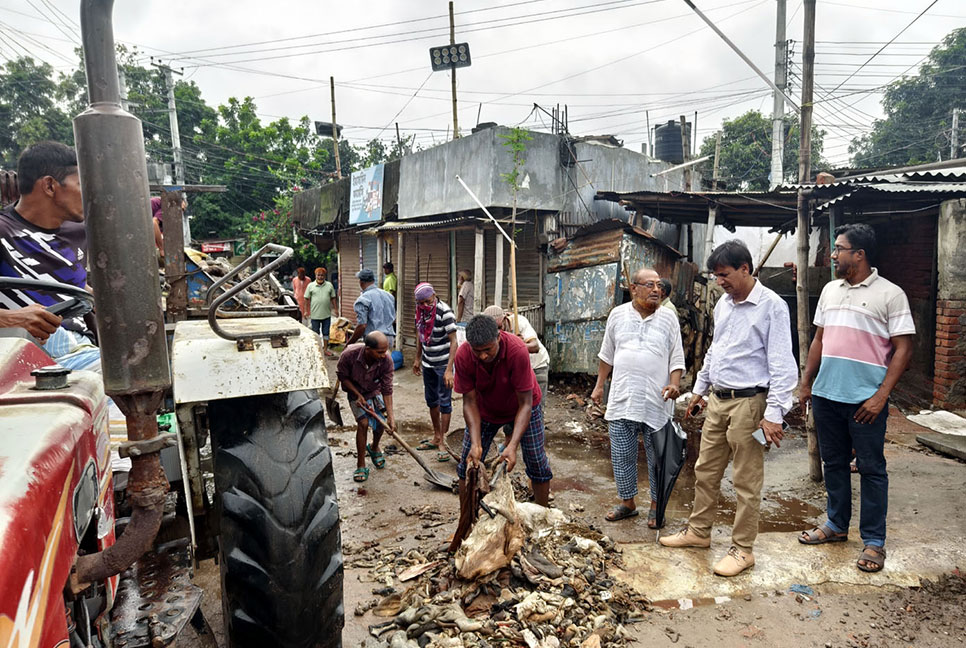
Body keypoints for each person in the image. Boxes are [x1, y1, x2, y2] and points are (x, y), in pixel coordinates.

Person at [660, 240, 798, 577]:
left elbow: (782, 365)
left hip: (751, 403)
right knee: (705, 470)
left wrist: (774, 415)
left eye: (724, 275)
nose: (719, 281)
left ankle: (743, 549)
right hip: (718, 401)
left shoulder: (772, 306)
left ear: (746, 269)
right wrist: (700, 389)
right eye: (715, 275)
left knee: (745, 480)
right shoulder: (724, 305)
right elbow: (715, 350)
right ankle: (698, 532)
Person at [798, 223, 914, 574]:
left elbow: (904, 348)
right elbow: (819, 339)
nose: (833, 255)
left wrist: (881, 396)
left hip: (866, 401)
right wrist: (807, 383)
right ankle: (836, 525)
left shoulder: (890, 294)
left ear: (859, 254)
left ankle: (874, 541)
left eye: (839, 248)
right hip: (826, 394)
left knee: (872, 469)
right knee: (833, 463)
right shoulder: (831, 291)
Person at [591, 268, 685, 528]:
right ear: (634, 288)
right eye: (650, 285)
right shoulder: (618, 315)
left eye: (658, 286)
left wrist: (674, 384)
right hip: (623, 396)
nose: (656, 290)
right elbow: (606, 354)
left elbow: (676, 356)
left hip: (657, 400)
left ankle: (656, 507)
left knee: (658, 456)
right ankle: (628, 503)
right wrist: (599, 386)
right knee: (622, 453)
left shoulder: (668, 318)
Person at [0, 141, 100, 371]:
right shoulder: (4, 232)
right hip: (22, 354)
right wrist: (8, 318)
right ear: (50, 186)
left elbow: (69, 284)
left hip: (80, 348)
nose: (88, 194)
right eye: (80, 184)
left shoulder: (79, 233)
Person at [454, 314, 553, 506]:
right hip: (485, 410)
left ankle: (543, 515)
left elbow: (525, 403)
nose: (483, 356)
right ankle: (466, 522)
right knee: (467, 465)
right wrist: (475, 443)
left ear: (499, 337)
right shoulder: (464, 355)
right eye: (477, 351)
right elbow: (469, 402)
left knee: (537, 462)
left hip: (523, 407)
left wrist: (512, 445)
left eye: (488, 350)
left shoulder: (517, 350)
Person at [336, 331, 396, 483]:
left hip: (373, 390)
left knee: (381, 422)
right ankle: (361, 464)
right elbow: (342, 377)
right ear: (367, 349)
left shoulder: (386, 361)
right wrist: (357, 394)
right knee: (363, 423)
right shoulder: (349, 355)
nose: (384, 355)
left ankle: (374, 448)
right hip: (354, 391)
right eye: (380, 352)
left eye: (386, 350)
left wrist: (391, 417)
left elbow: (387, 389)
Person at [412, 282, 458, 462]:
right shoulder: (420, 312)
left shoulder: (444, 312)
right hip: (428, 363)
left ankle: (443, 442)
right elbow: (420, 336)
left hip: (443, 364)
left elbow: (454, 342)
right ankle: (437, 436)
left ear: (434, 296)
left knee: (445, 402)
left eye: (427, 301)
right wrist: (417, 359)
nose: (424, 305)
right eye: (420, 302)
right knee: (432, 401)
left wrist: (449, 370)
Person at [482, 305, 551, 397]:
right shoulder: (489, 333)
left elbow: (535, 347)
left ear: (505, 318)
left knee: (536, 405)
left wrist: (518, 344)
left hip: (537, 366)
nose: (498, 332)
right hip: (517, 369)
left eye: (500, 327)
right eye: (494, 329)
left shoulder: (519, 322)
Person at [346, 268, 396, 347]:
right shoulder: (389, 296)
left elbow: (362, 326)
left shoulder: (363, 299)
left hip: (374, 341)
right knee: (386, 359)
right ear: (373, 280)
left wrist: (350, 343)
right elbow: (393, 319)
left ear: (361, 282)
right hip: (389, 339)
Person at [304, 267, 337, 357]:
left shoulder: (329, 285)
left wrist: (336, 309)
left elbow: (333, 298)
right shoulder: (310, 286)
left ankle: (325, 349)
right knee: (316, 333)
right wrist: (306, 311)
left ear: (324, 276)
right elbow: (306, 299)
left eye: (322, 275)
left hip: (326, 314)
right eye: (318, 275)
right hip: (315, 315)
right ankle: (317, 349)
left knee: (326, 333)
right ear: (315, 276)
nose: (320, 277)